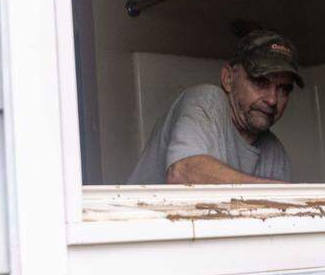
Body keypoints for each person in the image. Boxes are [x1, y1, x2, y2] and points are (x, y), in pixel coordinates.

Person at [127, 30, 303, 184]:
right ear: (228, 79)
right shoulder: (206, 100)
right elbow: (182, 174)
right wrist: (276, 192)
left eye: (284, 89)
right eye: (260, 82)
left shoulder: (276, 153)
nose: (272, 99)